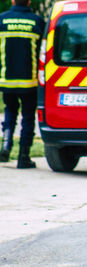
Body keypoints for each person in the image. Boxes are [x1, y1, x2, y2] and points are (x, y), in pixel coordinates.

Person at [0, 0, 45, 168]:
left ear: (12, 0)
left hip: (7, 79)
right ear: (29, 1)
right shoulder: (37, 21)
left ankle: (5, 145)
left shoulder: (2, 20)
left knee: (10, 111)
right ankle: (23, 156)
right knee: (27, 117)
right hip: (29, 81)